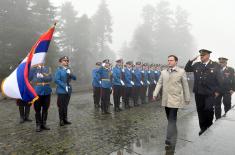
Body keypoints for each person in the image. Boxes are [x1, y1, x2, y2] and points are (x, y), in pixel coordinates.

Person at [153, 55, 190, 151]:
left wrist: (187, 98)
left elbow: (185, 85)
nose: (169, 62)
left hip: (175, 99)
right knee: (170, 118)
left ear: (176, 62)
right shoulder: (163, 72)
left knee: (172, 118)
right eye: (168, 60)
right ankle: (174, 132)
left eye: (171, 60)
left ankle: (168, 138)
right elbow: (159, 83)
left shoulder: (181, 72)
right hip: (166, 99)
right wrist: (155, 93)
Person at [185, 49, 222, 135]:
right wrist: (191, 60)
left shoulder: (215, 65)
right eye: (200, 55)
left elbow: (220, 80)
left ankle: (209, 126)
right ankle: (203, 127)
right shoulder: (197, 64)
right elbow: (187, 69)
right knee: (200, 110)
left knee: (208, 109)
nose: (201, 57)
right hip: (199, 92)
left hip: (210, 93)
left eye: (203, 55)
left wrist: (217, 91)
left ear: (208, 56)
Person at [29, 64, 52, 132]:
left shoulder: (48, 67)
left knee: (45, 108)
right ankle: (38, 125)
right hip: (37, 91)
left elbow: (50, 78)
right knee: (37, 109)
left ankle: (44, 124)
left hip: (47, 91)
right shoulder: (33, 69)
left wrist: (43, 75)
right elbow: (29, 78)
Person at [54, 56, 77, 126]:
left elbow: (75, 78)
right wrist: (64, 86)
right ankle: (61, 120)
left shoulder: (69, 69)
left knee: (65, 105)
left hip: (68, 90)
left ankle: (65, 119)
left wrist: (70, 73)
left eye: (67, 61)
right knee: (61, 106)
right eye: (64, 60)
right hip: (61, 90)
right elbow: (56, 80)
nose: (66, 62)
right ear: (61, 62)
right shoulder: (59, 70)